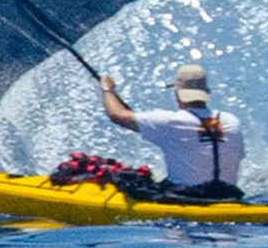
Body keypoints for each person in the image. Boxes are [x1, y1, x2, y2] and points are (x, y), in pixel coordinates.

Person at [99, 64, 244, 197]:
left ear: (177, 94)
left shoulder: (171, 122)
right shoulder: (232, 121)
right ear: (205, 93)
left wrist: (107, 88)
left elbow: (117, 115)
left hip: (186, 197)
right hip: (228, 195)